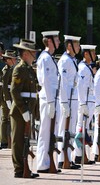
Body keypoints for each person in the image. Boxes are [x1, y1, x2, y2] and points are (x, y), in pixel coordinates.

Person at [10, 39, 41, 178]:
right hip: (19, 112)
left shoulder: (29, 69)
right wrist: (23, 111)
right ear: (25, 54)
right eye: (32, 52)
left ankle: (24, 168)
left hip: (28, 110)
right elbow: (15, 91)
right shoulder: (19, 69)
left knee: (25, 140)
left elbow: (33, 91)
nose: (35, 54)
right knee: (18, 141)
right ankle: (19, 169)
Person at [36, 31, 61, 173]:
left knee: (51, 132)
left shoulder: (49, 58)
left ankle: (48, 162)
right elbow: (45, 81)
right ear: (50, 41)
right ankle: (42, 164)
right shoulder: (45, 58)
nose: (58, 42)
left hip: (52, 98)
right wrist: (51, 101)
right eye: (56, 39)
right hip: (47, 99)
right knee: (45, 132)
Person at [57, 35, 81, 169]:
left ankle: (68, 158)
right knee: (63, 129)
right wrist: (64, 102)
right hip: (68, 99)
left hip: (73, 99)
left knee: (70, 130)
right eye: (76, 44)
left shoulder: (72, 60)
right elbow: (63, 83)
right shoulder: (65, 61)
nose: (79, 47)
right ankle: (62, 159)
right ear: (69, 45)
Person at [74, 44, 97, 164]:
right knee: (81, 129)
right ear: (86, 54)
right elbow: (81, 87)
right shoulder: (83, 68)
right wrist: (82, 104)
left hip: (89, 101)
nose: (95, 55)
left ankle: (81, 155)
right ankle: (80, 155)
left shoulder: (86, 67)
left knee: (84, 129)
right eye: (92, 53)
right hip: (86, 102)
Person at [1, 50, 17, 149]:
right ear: (8, 60)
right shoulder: (6, 70)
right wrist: (7, 100)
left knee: (8, 120)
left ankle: (7, 140)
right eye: (13, 58)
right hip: (6, 98)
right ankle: (4, 141)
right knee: (5, 119)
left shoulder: (11, 69)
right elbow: (4, 87)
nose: (15, 60)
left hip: (10, 98)